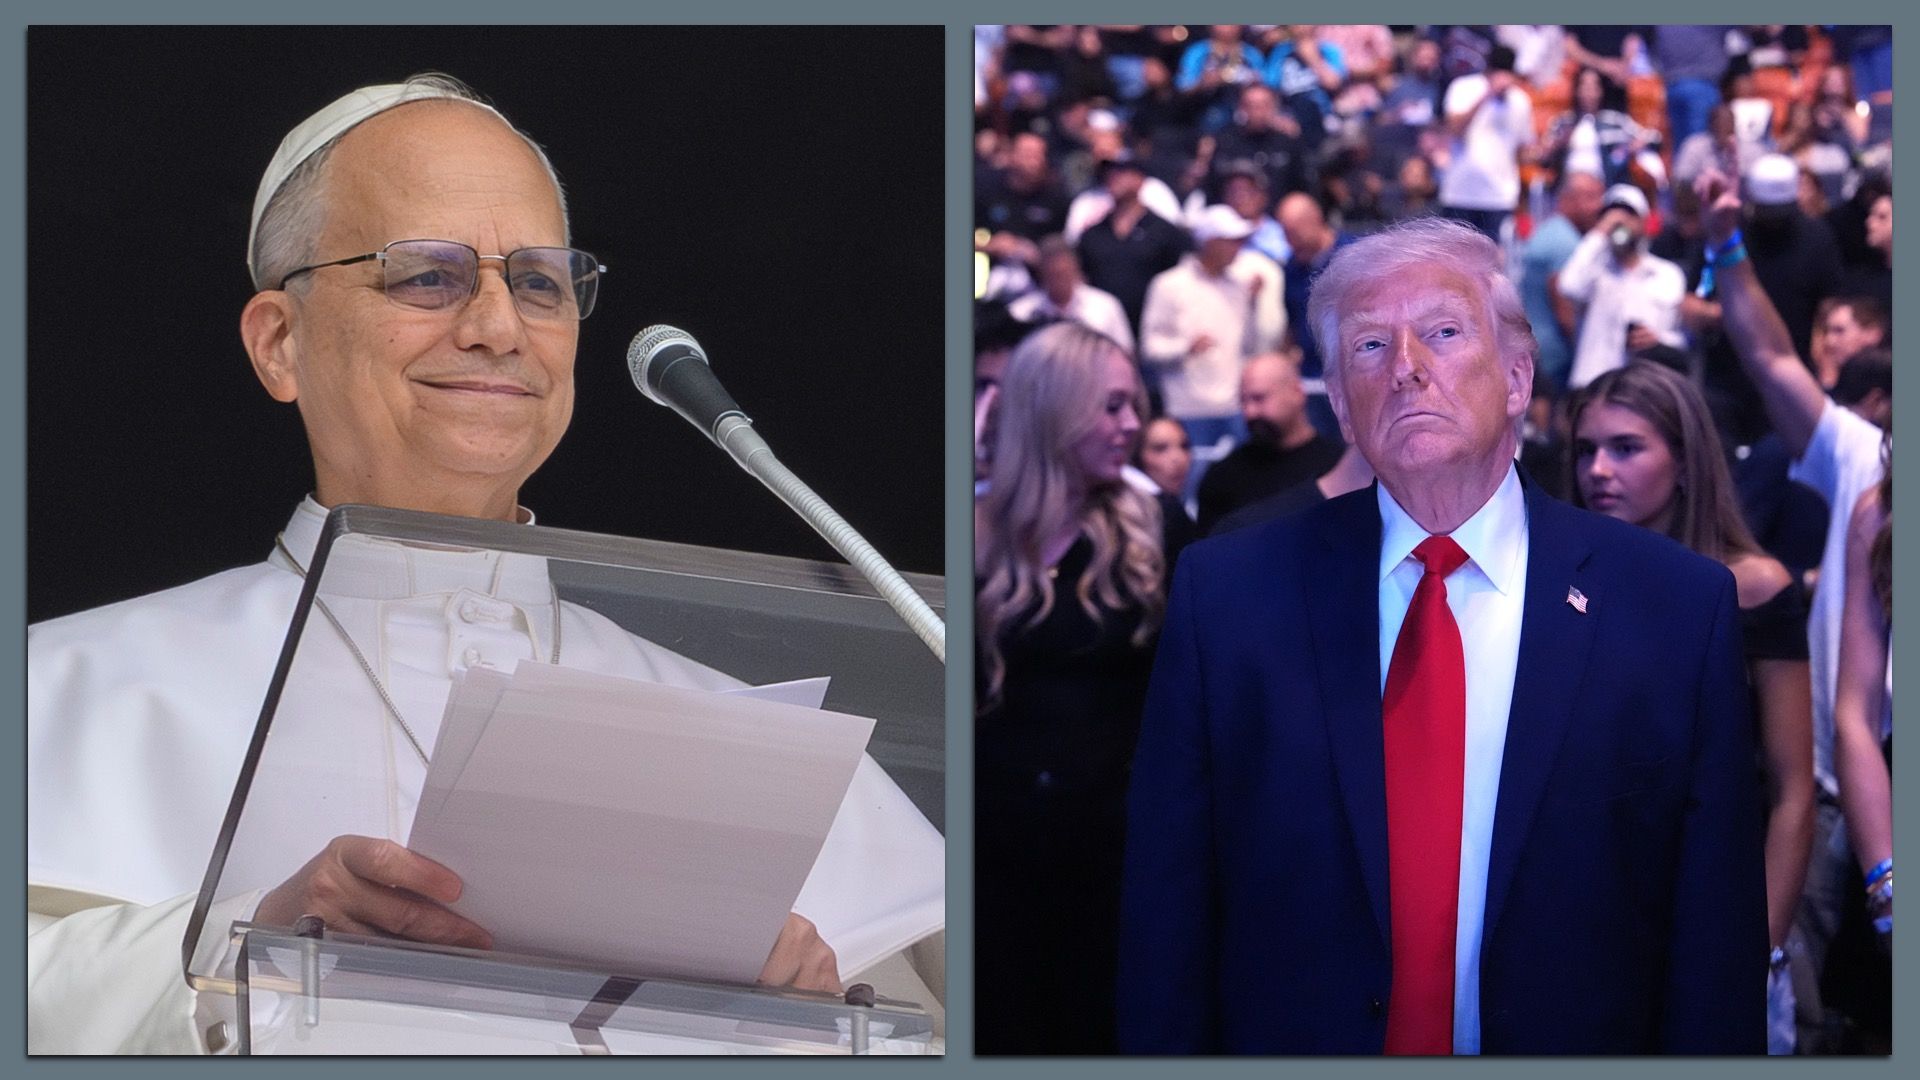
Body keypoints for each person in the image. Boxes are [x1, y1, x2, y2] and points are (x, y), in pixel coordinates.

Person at [28, 76, 943, 1054]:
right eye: (428, 275)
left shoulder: (730, 721)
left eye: (540, 282)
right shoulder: (62, 689)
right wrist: (244, 951)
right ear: (280, 341)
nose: (500, 328)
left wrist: (803, 1011)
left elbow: (922, 1020)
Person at [1118, 216, 1764, 1054]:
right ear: (1343, 411)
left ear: (1521, 378)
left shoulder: (1675, 609)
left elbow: (1713, 937)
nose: (1408, 370)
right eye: (1370, 348)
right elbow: (1169, 914)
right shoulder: (1230, 596)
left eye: (1444, 332)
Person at [1694, 166, 1888, 1053]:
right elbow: (1769, 354)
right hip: (1839, 799)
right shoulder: (1868, 460)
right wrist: (1728, 247)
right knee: (1800, 1022)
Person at [1567, 361, 1815, 1053]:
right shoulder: (1566, 584)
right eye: (1586, 450)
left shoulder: (1753, 584)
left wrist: (1756, 949)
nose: (1599, 471)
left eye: (1626, 447)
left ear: (1684, 460)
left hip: (1721, 901)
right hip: (1600, 914)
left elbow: (1794, 792)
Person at [974, 321, 1192, 1054]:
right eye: (1111, 407)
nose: (1131, 425)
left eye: (1133, 405)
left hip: (1115, 854)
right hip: (996, 859)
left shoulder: (1156, 526)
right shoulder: (975, 532)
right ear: (1052, 409)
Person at [1195, 351, 1342, 535]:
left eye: (1259, 398)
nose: (1250, 412)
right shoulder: (1223, 477)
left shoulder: (1338, 467)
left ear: (1296, 392)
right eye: (1243, 401)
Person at [1557, 183, 1687, 389]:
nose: (1620, 221)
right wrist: (1600, 232)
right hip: (1592, 385)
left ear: (1644, 222)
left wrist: (1659, 340)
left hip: (1645, 387)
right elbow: (1568, 286)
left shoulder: (1667, 274)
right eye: (1610, 213)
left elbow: (1683, 337)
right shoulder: (1595, 271)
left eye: (1629, 214)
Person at [1436, 45, 1532, 242]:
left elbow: (1523, 151)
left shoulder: (1520, 100)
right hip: (1460, 193)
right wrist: (1487, 95)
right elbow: (1454, 129)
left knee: (1494, 265)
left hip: (1500, 197)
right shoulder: (1463, 87)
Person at [1008, 234, 1137, 356]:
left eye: (1064, 273)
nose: (1060, 281)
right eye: (1054, 275)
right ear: (1042, 273)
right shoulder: (1021, 314)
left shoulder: (1105, 307)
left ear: (1075, 269)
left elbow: (1126, 353)